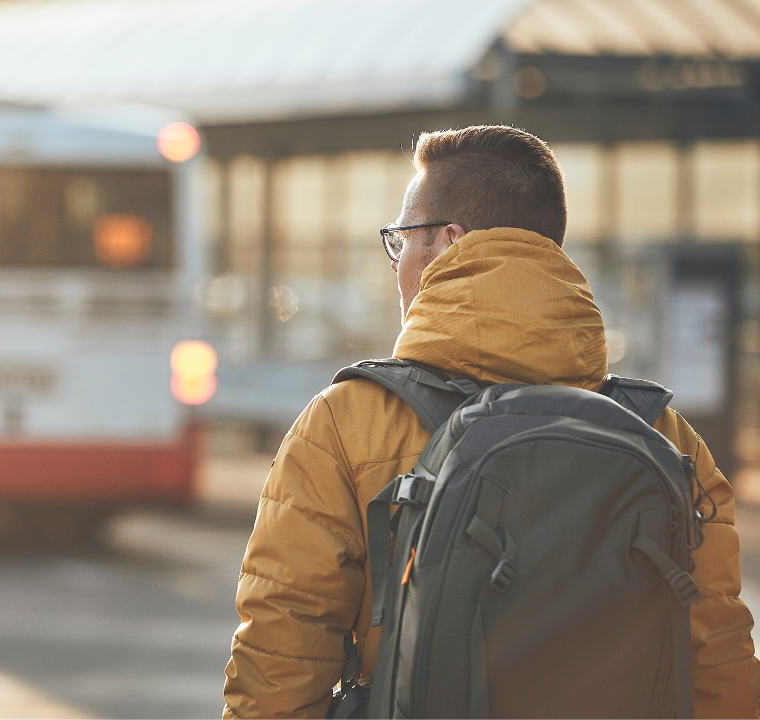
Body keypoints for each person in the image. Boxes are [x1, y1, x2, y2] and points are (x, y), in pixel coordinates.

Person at [222, 125, 760, 719]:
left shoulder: (347, 425)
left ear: (447, 243)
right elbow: (718, 663)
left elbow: (280, 659)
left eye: (403, 240)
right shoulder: (663, 435)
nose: (397, 264)